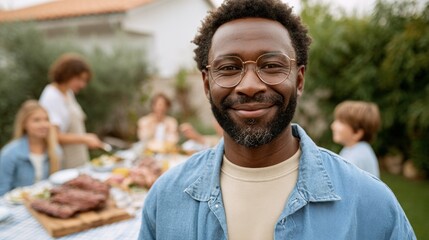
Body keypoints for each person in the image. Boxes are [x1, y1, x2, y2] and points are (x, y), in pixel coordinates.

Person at [138, 0, 416, 239]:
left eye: (271, 66)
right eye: (229, 67)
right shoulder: (166, 199)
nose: (249, 85)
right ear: (207, 83)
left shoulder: (370, 203)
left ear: (299, 79)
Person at [39, 53, 103, 169]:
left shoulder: (68, 93)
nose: (82, 85)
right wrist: (84, 138)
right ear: (66, 74)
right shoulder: (52, 96)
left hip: (77, 155)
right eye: (79, 79)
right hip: (64, 160)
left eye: (85, 80)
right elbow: (53, 136)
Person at [0, 100, 61, 196]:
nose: (43, 125)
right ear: (24, 124)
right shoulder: (9, 154)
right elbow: (2, 191)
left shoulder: (55, 150)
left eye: (46, 120)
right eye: (36, 120)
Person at [331, 100, 381, 178]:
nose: (333, 126)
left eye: (340, 122)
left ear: (357, 133)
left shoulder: (357, 156)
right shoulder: (352, 149)